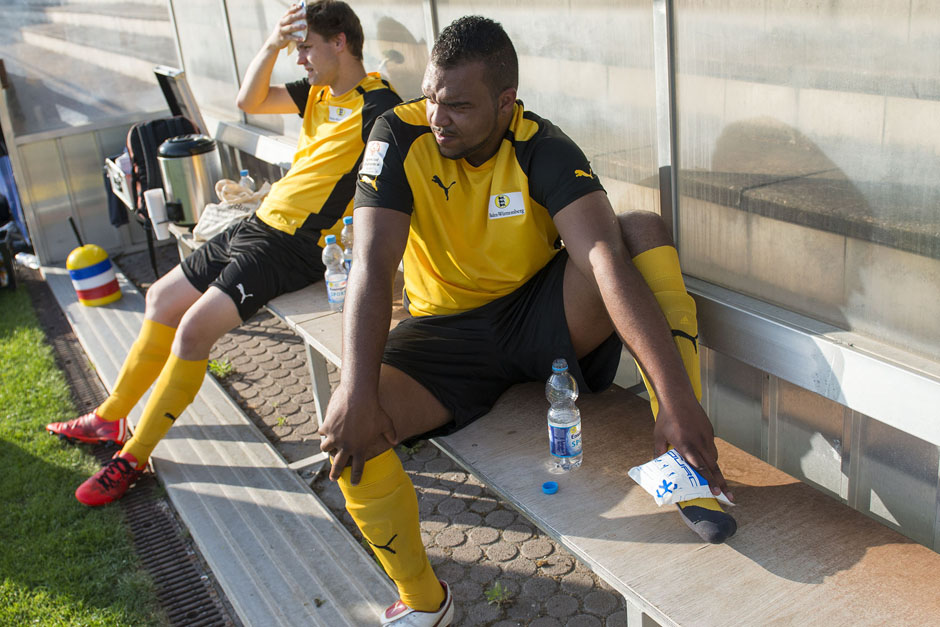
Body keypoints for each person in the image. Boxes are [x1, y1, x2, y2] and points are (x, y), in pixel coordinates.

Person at [318, 15, 737, 625]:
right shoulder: (397, 134)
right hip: (442, 337)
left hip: (539, 319)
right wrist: (356, 390)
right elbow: (373, 264)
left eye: (459, 106)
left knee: (637, 230)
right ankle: (424, 601)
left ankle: (685, 461)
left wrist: (676, 397)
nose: (439, 117)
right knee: (350, 433)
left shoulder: (544, 145)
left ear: (506, 101)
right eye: (434, 97)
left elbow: (604, 261)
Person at [46, 0, 400, 507]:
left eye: (305, 48)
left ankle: (132, 455)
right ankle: (108, 419)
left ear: (340, 42)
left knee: (192, 329)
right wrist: (272, 42)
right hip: (257, 223)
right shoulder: (319, 92)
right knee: (161, 299)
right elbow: (248, 98)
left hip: (295, 246)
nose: (299, 59)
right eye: (296, 49)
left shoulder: (380, 107)